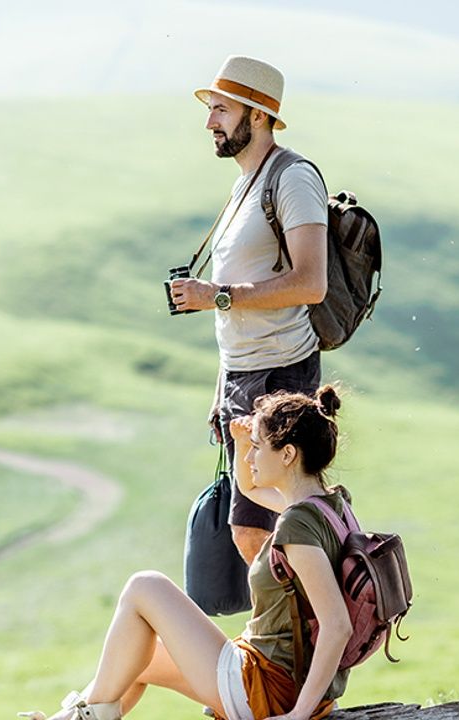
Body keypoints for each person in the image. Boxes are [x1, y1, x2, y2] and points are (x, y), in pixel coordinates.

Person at [19, 387, 354, 720]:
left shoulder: (297, 526)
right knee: (134, 660)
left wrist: (298, 716)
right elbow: (248, 487)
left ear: (287, 455)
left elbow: (337, 625)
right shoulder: (329, 506)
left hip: (267, 687)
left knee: (144, 586)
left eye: (257, 448)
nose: (251, 458)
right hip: (271, 675)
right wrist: (239, 441)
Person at [168, 56, 329, 567]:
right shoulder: (244, 183)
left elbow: (311, 283)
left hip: (280, 371)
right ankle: (283, 638)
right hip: (245, 375)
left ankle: (290, 641)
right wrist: (223, 388)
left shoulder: (293, 178)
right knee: (258, 531)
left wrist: (214, 294)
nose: (210, 121)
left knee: (262, 530)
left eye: (221, 109)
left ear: (256, 115)